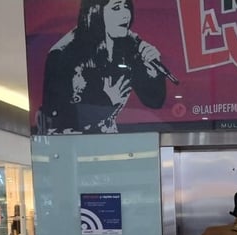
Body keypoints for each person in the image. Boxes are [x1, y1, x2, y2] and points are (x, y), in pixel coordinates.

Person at [37, 0, 167, 134]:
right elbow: (54, 116)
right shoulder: (62, 54)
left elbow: (154, 101)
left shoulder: (130, 44)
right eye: (116, 7)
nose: (125, 15)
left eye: (126, 6)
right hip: (72, 145)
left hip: (111, 142)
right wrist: (106, 103)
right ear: (96, 11)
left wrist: (153, 72)